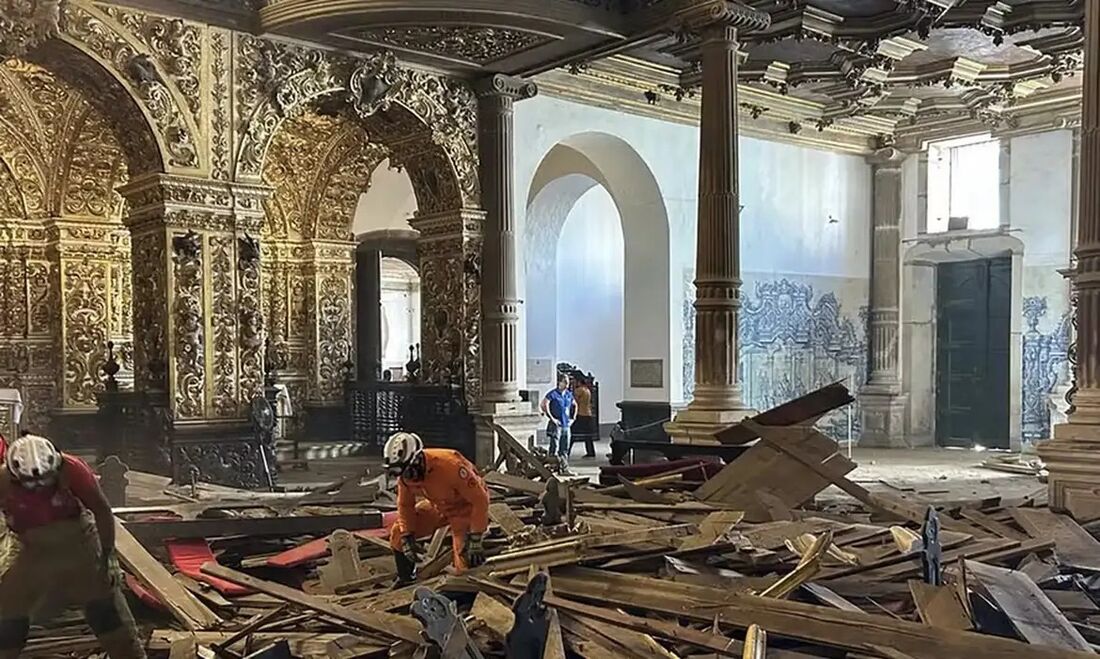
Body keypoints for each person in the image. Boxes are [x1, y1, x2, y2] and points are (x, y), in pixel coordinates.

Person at [0, 433, 145, 659]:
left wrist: (108, 556)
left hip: (79, 542)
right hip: (33, 548)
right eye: (30, 484)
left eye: (44, 482)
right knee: (8, 611)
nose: (38, 489)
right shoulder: (3, 480)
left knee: (105, 609)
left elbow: (102, 510)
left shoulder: (73, 468)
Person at [383, 432, 489, 583]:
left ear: (417, 460)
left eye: (408, 471)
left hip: (464, 508)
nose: (407, 477)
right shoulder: (405, 477)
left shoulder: (451, 465)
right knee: (398, 533)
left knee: (464, 559)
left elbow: (479, 500)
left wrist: (476, 537)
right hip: (438, 505)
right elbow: (405, 505)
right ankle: (406, 578)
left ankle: (468, 592)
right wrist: (407, 536)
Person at [540, 373, 577, 470]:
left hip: (566, 424)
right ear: (559, 382)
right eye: (565, 382)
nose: (567, 385)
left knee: (565, 446)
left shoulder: (568, 394)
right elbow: (544, 404)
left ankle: (564, 466)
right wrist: (551, 417)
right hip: (557, 424)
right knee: (555, 446)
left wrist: (573, 418)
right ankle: (552, 466)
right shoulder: (553, 394)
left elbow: (575, 405)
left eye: (568, 382)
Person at [571, 376, 597, 458]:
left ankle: (566, 451)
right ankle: (591, 452)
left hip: (581, 414)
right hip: (588, 414)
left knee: (573, 434)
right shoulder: (587, 390)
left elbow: (574, 400)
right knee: (588, 436)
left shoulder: (580, 390)